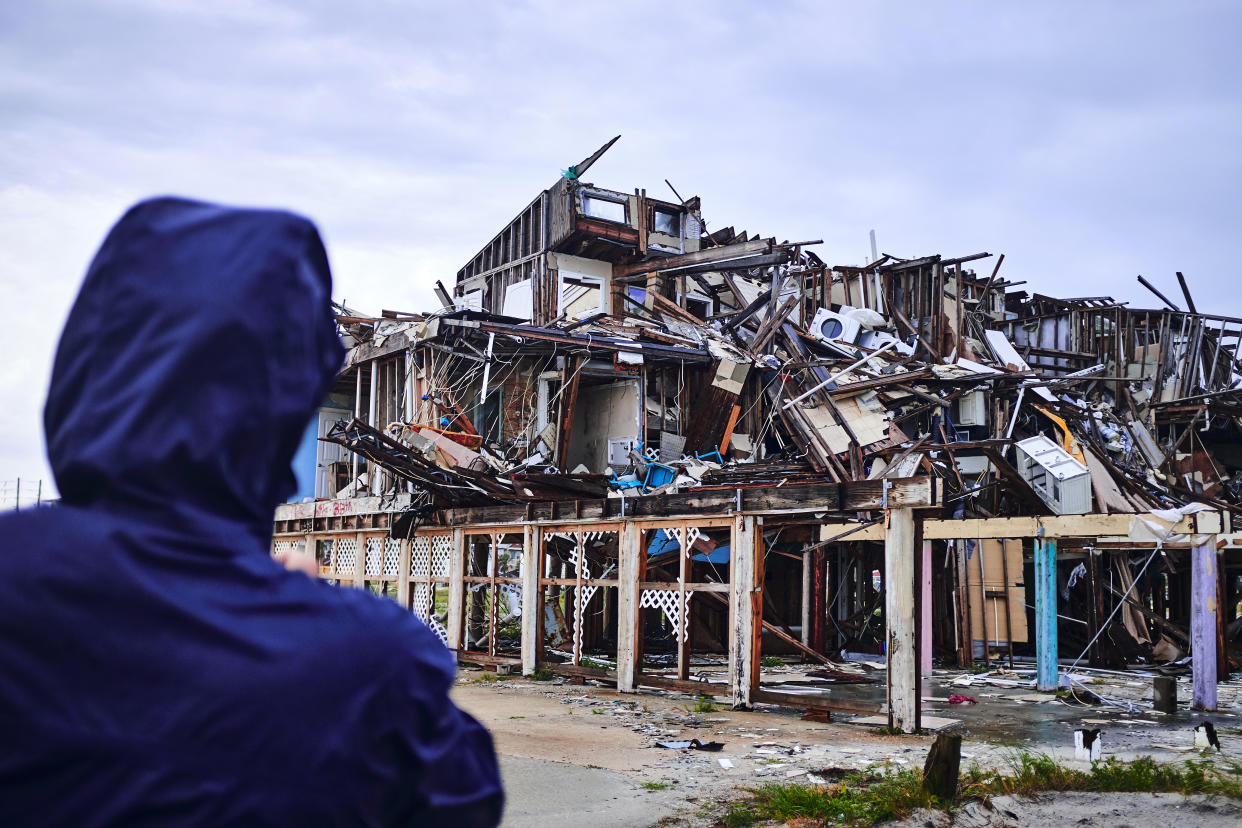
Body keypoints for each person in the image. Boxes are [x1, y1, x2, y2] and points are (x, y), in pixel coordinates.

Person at [0, 198, 504, 826]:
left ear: (86, 366)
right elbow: (464, 800)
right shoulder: (373, 670)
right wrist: (298, 609)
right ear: (283, 404)